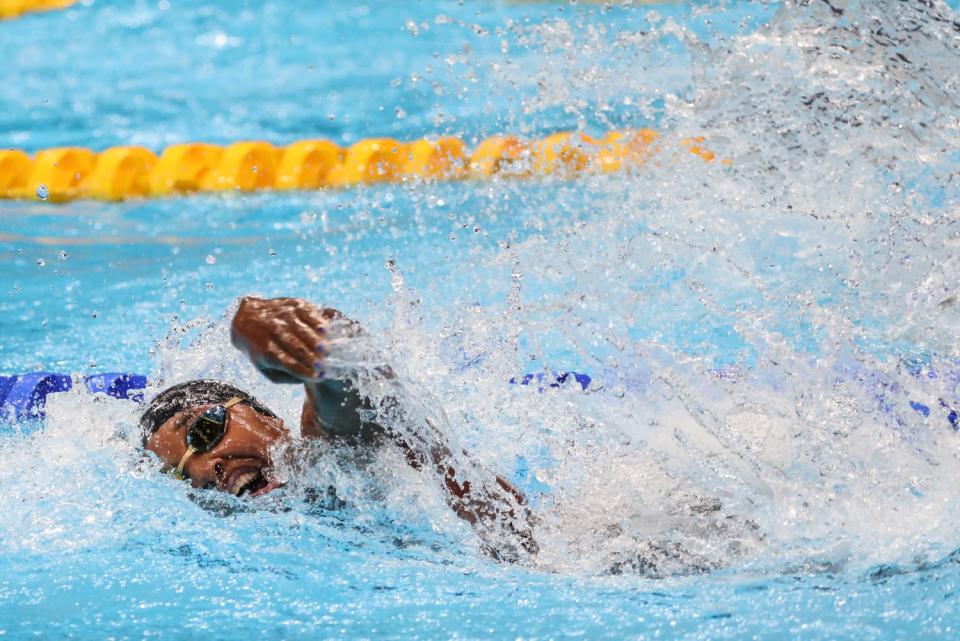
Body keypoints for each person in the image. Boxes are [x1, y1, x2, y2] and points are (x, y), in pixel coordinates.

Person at [141, 296, 537, 560]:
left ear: (265, 415)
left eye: (203, 430)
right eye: (183, 473)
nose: (203, 470)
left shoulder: (325, 454)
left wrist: (283, 331)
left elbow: (353, 378)